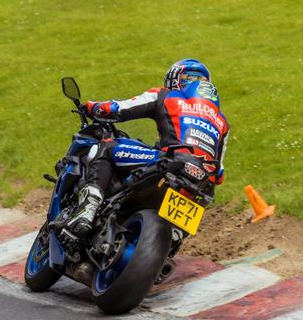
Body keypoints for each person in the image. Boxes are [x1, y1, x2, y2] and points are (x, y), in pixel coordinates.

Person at [65, 59, 229, 237]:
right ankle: (171, 242)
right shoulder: (222, 122)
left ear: (175, 80)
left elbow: (117, 108)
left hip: (172, 163)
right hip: (204, 185)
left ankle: (88, 209)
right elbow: (219, 174)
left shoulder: (165, 96)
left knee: (106, 147)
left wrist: (93, 107)